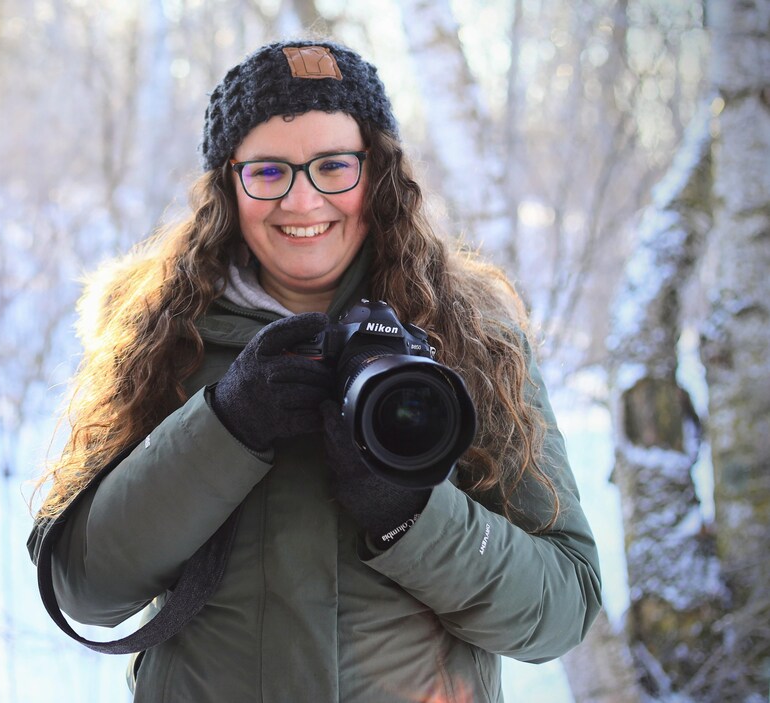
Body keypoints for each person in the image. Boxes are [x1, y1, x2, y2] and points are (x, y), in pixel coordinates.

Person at [31, 39, 601, 703]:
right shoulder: (159, 336)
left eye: (333, 166)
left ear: (378, 172)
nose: (302, 203)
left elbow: (565, 605)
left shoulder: (471, 336)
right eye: (268, 172)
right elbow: (83, 588)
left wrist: (411, 516)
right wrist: (223, 426)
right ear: (228, 184)